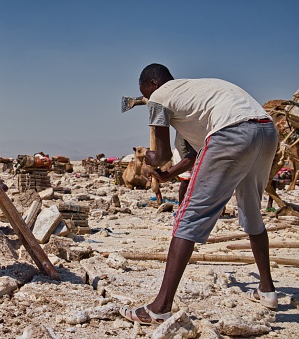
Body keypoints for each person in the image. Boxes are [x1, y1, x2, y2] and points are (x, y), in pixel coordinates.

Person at [119, 63, 279, 325]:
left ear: (152, 85)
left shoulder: (158, 97)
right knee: (252, 211)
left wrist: (149, 159)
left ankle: (159, 308)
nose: (147, 99)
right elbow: (195, 154)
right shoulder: (195, 93)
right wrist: (169, 175)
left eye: (145, 92)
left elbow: (162, 155)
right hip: (265, 130)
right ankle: (267, 290)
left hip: (231, 133)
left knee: (187, 217)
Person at [172, 133, 194, 204]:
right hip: (184, 155)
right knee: (186, 181)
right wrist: (187, 163)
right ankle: (181, 206)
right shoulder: (184, 128)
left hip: (189, 154)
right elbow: (180, 145)